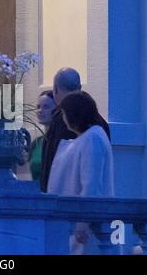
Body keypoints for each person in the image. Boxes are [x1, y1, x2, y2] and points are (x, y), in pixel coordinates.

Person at [47, 91, 114, 254]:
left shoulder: (93, 138)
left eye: (64, 114)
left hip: (83, 229)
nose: (63, 119)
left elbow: (91, 184)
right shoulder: (87, 138)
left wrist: (82, 223)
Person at [40, 68, 110, 193]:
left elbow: (90, 186)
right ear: (80, 87)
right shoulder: (97, 121)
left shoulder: (92, 138)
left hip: (76, 206)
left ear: (55, 89)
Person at [29, 90, 56, 181]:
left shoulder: (61, 141)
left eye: (46, 107)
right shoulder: (36, 143)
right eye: (38, 107)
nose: (40, 111)